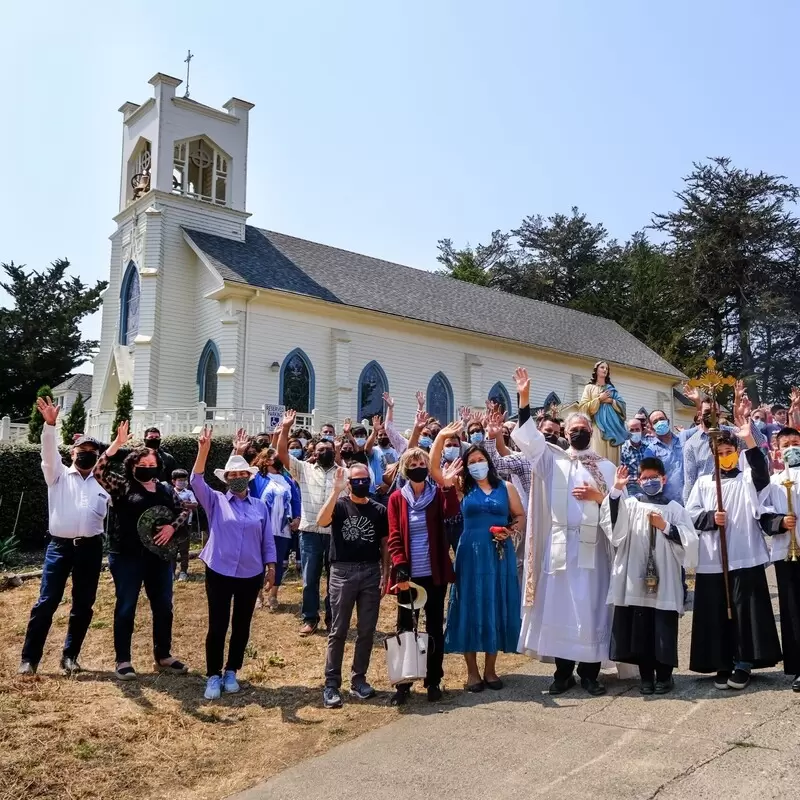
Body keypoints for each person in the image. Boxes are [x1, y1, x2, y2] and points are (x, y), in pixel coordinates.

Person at [512, 366, 617, 696]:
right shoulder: (552, 461)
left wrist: (599, 498)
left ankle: (590, 674)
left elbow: (620, 510)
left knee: (591, 607)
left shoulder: (605, 467)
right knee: (559, 608)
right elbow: (528, 441)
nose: (577, 432)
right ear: (565, 434)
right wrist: (524, 399)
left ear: (591, 432)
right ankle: (562, 673)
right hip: (560, 546)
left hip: (593, 547)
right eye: (573, 428)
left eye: (582, 427)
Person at [685, 424, 781, 690]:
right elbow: (689, 513)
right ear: (713, 456)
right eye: (721, 452)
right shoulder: (705, 483)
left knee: (744, 611)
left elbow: (762, 473)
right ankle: (721, 662)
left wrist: (749, 440)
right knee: (716, 611)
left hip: (744, 555)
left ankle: (744, 662)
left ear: (736, 453)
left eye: (729, 451)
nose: (725, 456)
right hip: (714, 558)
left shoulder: (747, 479)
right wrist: (710, 518)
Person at [18, 398, 109, 676]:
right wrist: (49, 424)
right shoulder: (56, 475)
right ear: (72, 453)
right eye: (83, 450)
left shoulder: (103, 482)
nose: (87, 454)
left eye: (92, 451)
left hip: (91, 548)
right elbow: (47, 454)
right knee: (47, 601)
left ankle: (70, 656)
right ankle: (29, 659)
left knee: (83, 604)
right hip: (60, 547)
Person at [93, 421, 189, 681]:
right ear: (132, 466)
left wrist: (171, 527)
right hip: (127, 556)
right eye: (142, 466)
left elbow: (183, 511)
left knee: (164, 606)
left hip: (158, 557)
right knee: (126, 606)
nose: (148, 469)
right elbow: (98, 471)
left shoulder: (165, 489)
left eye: (152, 465)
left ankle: (163, 655)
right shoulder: (122, 486)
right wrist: (117, 445)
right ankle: (123, 659)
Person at [431, 424, 524, 692]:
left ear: (488, 462)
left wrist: (509, 531)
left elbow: (520, 516)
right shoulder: (462, 486)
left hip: (499, 551)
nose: (476, 465)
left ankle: (491, 669)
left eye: (480, 460)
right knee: (470, 603)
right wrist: (440, 438)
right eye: (471, 461)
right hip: (470, 552)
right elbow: (435, 471)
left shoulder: (506, 487)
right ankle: (472, 672)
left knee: (495, 601)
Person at [190, 429, 276, 699]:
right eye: (233, 475)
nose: (238, 478)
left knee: (242, 624)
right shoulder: (215, 501)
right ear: (226, 480)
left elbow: (267, 539)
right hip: (219, 570)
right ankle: (213, 674)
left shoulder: (260, 506)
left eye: (242, 474)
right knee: (218, 624)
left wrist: (271, 567)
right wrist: (204, 449)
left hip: (251, 572)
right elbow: (196, 479)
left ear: (249, 477)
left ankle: (231, 671)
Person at [601, 458, 699, 694]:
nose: (649, 482)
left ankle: (665, 676)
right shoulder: (631, 504)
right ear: (639, 480)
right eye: (644, 478)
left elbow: (691, 542)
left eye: (653, 477)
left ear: (663, 479)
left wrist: (665, 526)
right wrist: (615, 490)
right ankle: (646, 677)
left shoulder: (675, 509)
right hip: (636, 578)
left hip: (665, 578)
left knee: (663, 628)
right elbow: (612, 525)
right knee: (641, 628)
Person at [387, 447, 459, 705]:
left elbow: (452, 513)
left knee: (433, 628)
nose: (417, 465)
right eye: (413, 462)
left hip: (434, 574)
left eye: (421, 462)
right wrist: (400, 565)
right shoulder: (397, 498)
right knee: (406, 628)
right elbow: (394, 534)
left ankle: (433, 680)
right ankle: (403, 683)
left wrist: (449, 486)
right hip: (408, 576)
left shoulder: (438, 495)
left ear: (427, 467)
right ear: (406, 467)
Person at [317, 464, 390, 708]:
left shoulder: (379, 509)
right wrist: (335, 492)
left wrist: (385, 572)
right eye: (356, 480)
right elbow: (321, 520)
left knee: (367, 631)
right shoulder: (339, 505)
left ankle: (359, 679)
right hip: (342, 572)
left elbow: (384, 544)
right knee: (338, 630)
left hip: (370, 572)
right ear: (348, 482)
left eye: (365, 479)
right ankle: (331, 684)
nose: (361, 483)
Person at [277, 410, 339, 635]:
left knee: (335, 580)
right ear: (313, 452)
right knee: (309, 579)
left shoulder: (342, 473)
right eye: (320, 449)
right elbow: (282, 453)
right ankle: (310, 618)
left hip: (334, 534)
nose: (324, 452)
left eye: (328, 449)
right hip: (310, 532)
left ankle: (332, 619)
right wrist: (285, 428)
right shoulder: (303, 470)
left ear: (334, 451)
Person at [763, 426, 800, 691]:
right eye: (785, 444)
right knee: (792, 609)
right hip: (785, 551)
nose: (791, 448)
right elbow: (763, 517)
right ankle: (798, 667)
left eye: (795, 442)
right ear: (778, 449)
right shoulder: (773, 482)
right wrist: (780, 522)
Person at [682, 389, 767, 503]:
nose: (711, 415)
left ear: (719, 414)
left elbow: (759, 442)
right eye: (707, 411)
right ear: (699, 414)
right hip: (709, 496)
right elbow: (690, 480)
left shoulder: (732, 433)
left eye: (715, 411)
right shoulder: (691, 444)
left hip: (735, 491)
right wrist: (689, 510)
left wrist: (746, 417)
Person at [251, 447, 300, 610]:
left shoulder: (287, 480)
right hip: (261, 528)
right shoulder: (256, 477)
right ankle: (258, 596)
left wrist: (297, 518)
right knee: (258, 563)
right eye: (274, 456)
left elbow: (295, 501)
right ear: (265, 460)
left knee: (278, 562)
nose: (278, 458)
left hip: (282, 529)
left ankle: (273, 595)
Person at [578, 360, 628, 464]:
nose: (605, 370)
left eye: (606, 368)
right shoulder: (589, 388)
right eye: (602, 367)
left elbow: (622, 406)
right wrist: (599, 399)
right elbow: (582, 408)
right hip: (597, 427)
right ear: (596, 370)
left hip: (613, 428)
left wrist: (611, 401)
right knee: (598, 455)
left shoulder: (611, 389)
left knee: (612, 459)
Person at [171, 469, 197, 582]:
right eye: (179, 480)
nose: (182, 482)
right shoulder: (170, 492)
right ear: (173, 481)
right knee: (172, 550)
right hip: (172, 526)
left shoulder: (189, 493)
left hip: (186, 525)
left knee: (184, 549)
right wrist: (185, 504)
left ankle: (183, 571)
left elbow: (195, 504)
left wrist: (179, 504)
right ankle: (171, 572)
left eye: (184, 480)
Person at [619, 418, 646, 497]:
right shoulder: (622, 450)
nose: (635, 432)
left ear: (641, 430)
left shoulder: (648, 448)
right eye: (632, 430)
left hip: (647, 486)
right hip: (631, 490)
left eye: (637, 429)